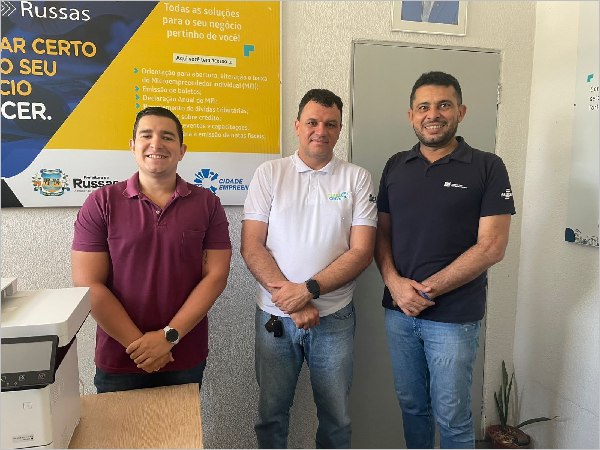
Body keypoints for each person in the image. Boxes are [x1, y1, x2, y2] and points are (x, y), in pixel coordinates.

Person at [375, 72, 515, 449]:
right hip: (399, 312)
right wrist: (394, 284)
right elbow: (381, 234)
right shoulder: (395, 166)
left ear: (460, 112)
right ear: (411, 116)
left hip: (454, 318)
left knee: (452, 415)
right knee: (412, 407)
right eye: (423, 107)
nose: (433, 114)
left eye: (443, 105)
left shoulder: (487, 166)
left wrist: (425, 291)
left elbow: (492, 246)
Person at [241, 89, 377, 449]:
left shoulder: (356, 179)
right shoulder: (270, 173)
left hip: (334, 318)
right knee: (271, 415)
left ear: (340, 129)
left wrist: (307, 292)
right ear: (297, 125)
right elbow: (252, 246)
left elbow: (362, 251)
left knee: (336, 418)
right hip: (275, 318)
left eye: (331, 124)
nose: (321, 131)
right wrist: (293, 302)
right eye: (313, 122)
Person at [72, 106, 232, 393]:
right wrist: (141, 346)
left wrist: (168, 338)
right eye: (146, 135)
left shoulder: (208, 204)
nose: (156, 144)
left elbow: (216, 276)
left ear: (182, 150)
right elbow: (88, 284)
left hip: (184, 356)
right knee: (119, 426)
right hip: (121, 357)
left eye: (167, 137)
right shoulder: (101, 203)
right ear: (133, 146)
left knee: (181, 426)